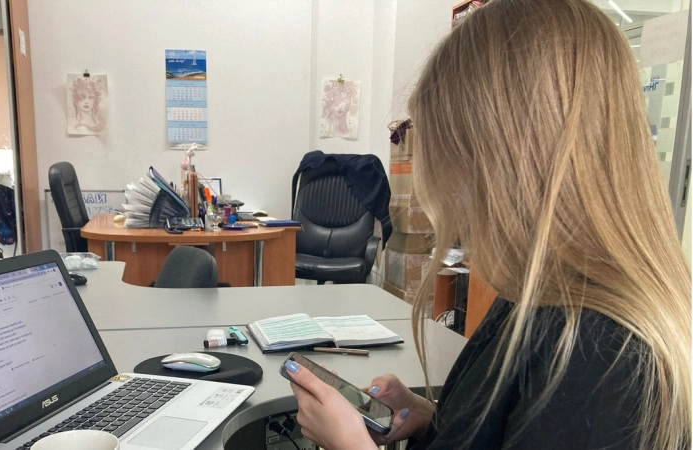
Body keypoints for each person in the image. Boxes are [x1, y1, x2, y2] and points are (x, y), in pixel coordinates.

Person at [286, 0, 692, 449]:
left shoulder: (599, 356)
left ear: (497, 163)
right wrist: (432, 418)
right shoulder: (537, 295)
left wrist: (350, 445)